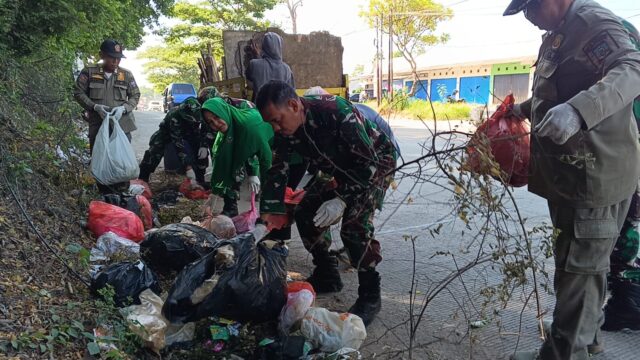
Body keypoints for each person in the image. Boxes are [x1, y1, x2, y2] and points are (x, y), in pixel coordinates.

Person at [503, 0, 640, 359]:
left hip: (594, 175)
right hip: (569, 175)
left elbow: (632, 69)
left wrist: (581, 111)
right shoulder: (558, 31)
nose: (528, 17)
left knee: (580, 269)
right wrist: (523, 109)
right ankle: (587, 342)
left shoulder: (592, 22)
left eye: (530, 8)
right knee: (578, 265)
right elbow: (556, 91)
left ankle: (566, 352)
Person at [255, 80, 397, 326]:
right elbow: (278, 169)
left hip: (374, 166)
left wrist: (341, 200)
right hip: (338, 167)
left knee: (354, 226)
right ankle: (327, 273)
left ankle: (370, 294)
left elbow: (367, 165)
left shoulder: (336, 113)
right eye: (270, 123)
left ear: (293, 105)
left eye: (277, 120)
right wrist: (268, 212)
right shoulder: (287, 130)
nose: (275, 128)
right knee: (305, 208)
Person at [202, 97, 274, 216]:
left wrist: (254, 174)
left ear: (223, 111)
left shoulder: (248, 127)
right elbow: (222, 163)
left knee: (274, 185)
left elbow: (264, 159)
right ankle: (231, 207)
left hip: (274, 139)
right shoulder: (223, 132)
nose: (215, 124)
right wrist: (215, 192)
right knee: (230, 161)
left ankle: (271, 216)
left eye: (216, 117)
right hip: (253, 141)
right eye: (210, 122)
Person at [137, 87, 221, 187]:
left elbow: (205, 129)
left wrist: (203, 145)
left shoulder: (203, 111)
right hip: (167, 134)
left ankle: (199, 180)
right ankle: (142, 179)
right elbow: (178, 143)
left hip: (191, 133)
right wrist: (188, 167)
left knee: (200, 152)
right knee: (154, 152)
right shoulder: (174, 115)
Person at [74, 39, 140, 152]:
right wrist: (94, 106)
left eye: (118, 58)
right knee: (99, 160)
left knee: (121, 161)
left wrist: (124, 108)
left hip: (122, 126)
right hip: (98, 125)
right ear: (102, 55)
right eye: (111, 57)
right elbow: (78, 92)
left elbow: (135, 95)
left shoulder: (126, 75)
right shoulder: (89, 72)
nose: (115, 61)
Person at [246, 32, 295, 101]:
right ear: (279, 47)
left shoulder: (253, 64)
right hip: (280, 109)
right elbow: (291, 92)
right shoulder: (287, 69)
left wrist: (257, 56)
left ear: (264, 46)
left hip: (259, 109)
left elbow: (249, 80)